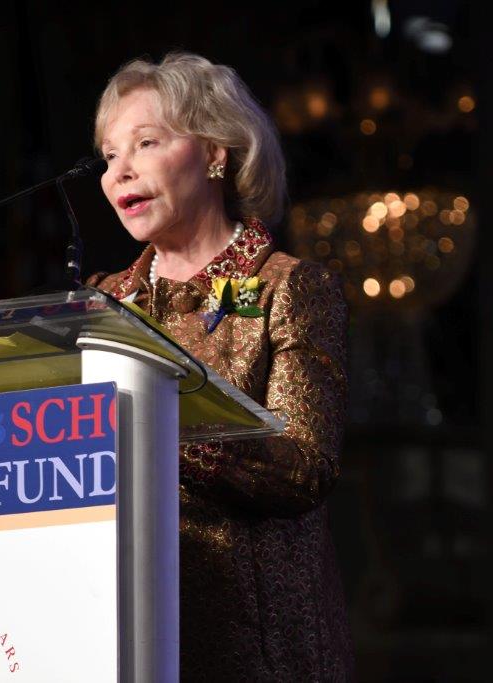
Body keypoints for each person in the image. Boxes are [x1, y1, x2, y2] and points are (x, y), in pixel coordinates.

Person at [85, 52, 354, 680]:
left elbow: (305, 467)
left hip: (255, 643)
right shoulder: (103, 303)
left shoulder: (286, 288)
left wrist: (158, 432)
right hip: (121, 634)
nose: (120, 171)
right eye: (109, 155)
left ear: (214, 152)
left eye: (146, 143)